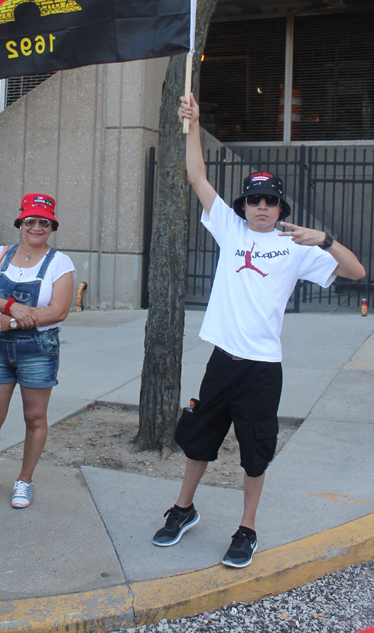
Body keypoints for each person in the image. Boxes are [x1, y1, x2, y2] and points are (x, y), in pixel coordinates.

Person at [152, 94, 366, 568]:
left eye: (270, 200)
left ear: (280, 204)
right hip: (223, 360)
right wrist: (193, 124)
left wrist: (326, 240)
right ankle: (183, 509)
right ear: (244, 205)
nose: (262, 207)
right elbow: (197, 177)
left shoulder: (298, 245)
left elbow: (356, 272)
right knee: (199, 440)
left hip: (264, 367)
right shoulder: (231, 230)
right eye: (254, 200)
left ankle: (246, 528)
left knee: (255, 453)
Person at [0, 193, 75, 508]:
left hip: (38, 349)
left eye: (44, 221)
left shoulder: (60, 262)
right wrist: (14, 307)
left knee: (34, 417)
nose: (37, 227)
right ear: (21, 223)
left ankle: (24, 480)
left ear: (52, 226)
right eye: (31, 220)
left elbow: (58, 312)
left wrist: (11, 321)